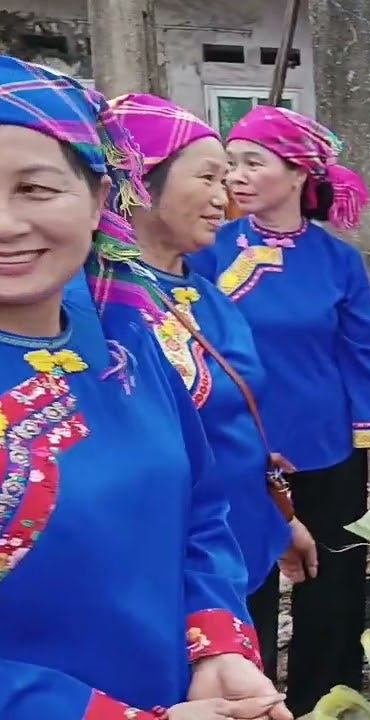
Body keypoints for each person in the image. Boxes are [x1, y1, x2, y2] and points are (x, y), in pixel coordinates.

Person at [0, 56, 288, 719]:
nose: (7, 224)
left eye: (36, 189)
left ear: (102, 198)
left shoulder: (126, 348)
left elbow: (202, 507)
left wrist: (215, 647)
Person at [186, 105, 370, 715]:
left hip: (327, 450)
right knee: (246, 585)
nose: (235, 177)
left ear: (298, 174)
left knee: (333, 589)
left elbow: (365, 361)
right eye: (229, 164)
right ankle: (251, 703)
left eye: (253, 162)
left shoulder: (339, 261)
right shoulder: (208, 253)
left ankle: (326, 702)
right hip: (237, 457)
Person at [109, 93, 318, 606]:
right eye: (206, 178)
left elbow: (233, 421)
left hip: (244, 541)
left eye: (224, 182)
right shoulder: (100, 307)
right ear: (140, 181)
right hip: (167, 578)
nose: (223, 200)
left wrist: (279, 518)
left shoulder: (206, 296)